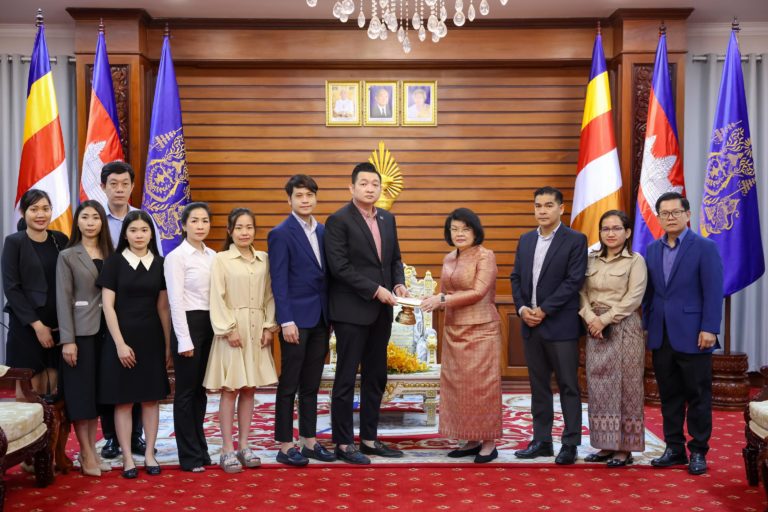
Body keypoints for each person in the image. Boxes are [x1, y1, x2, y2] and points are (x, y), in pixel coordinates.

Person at [324, 162, 407, 464]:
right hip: (351, 311)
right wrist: (375, 290)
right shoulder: (338, 220)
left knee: (376, 376)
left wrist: (398, 283)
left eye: (375, 184)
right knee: (346, 378)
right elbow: (340, 267)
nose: (370, 188)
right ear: (352, 187)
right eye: (364, 183)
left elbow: (394, 259)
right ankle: (344, 443)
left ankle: (370, 439)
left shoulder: (387, 218)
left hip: (381, 312)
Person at [642, 191, 723, 476]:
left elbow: (713, 290)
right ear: (659, 218)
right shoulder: (652, 249)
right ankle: (674, 448)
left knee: (698, 395)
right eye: (665, 213)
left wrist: (710, 328)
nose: (671, 217)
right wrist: (648, 326)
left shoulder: (704, 247)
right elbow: (650, 293)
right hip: (661, 334)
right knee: (669, 395)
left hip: (695, 334)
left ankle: (698, 451)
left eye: (676, 212)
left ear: (687, 214)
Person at [510, 186, 587, 465]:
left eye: (548, 205)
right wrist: (522, 309)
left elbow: (573, 281)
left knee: (568, 386)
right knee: (538, 386)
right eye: (538, 205)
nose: (542, 211)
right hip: (531, 325)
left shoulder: (575, 239)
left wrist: (544, 310)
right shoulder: (526, 239)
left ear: (561, 208)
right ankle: (541, 440)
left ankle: (570, 443)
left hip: (561, 325)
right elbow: (516, 278)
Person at [421, 208, 502, 463]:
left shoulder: (485, 256)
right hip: (454, 329)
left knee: (482, 388)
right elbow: (444, 292)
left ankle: (488, 442)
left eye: (465, 229)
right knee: (459, 389)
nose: (459, 234)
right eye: (454, 229)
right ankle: (471, 439)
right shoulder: (448, 258)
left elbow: (478, 292)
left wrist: (442, 299)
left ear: (475, 231)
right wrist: (430, 299)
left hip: (481, 330)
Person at [203, 208, 278, 474]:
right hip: (232, 330)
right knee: (230, 388)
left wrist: (269, 326)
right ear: (230, 231)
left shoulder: (263, 259)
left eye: (249, 227)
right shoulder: (221, 259)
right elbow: (217, 296)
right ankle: (226, 448)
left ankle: (244, 445)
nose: (244, 232)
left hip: (257, 330)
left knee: (249, 389)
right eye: (239, 228)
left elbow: (270, 295)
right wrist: (227, 329)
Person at [97, 210, 171, 479]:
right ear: (125, 235)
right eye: (133, 230)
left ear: (151, 234)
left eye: (144, 230)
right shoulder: (114, 263)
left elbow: (163, 308)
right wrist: (119, 344)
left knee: (150, 399)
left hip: (151, 339)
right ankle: (127, 457)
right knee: (124, 401)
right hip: (121, 340)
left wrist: (167, 345)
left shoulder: (160, 264)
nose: (139, 235)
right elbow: (108, 306)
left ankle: (149, 453)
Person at [268, 175, 336, 467]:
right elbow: (279, 280)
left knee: (311, 384)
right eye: (299, 195)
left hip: (321, 318)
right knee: (289, 384)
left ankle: (309, 440)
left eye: (309, 195)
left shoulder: (324, 231)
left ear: (315, 198)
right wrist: (286, 320)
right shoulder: (281, 233)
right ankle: (285, 445)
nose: (305, 200)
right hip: (295, 320)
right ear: (289, 200)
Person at [579, 210, 647, 467]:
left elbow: (634, 297)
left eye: (616, 228)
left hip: (624, 327)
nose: (610, 233)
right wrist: (590, 318)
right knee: (599, 386)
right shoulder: (590, 259)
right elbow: (581, 292)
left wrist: (604, 319)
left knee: (626, 386)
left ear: (627, 232)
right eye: (605, 228)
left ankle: (624, 449)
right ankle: (605, 444)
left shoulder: (635, 261)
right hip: (595, 329)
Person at [99, 160, 155, 459]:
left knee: (140, 377)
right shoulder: (95, 218)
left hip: (139, 309)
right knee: (112, 377)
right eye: (113, 184)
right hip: (103, 305)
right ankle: (111, 437)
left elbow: (155, 262)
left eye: (125, 184)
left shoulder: (143, 219)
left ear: (132, 186)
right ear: (103, 187)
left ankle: (136, 436)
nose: (119, 189)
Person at [56, 200, 114, 477]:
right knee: (81, 395)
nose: (90, 222)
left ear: (103, 222)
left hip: (108, 332)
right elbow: (63, 299)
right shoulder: (68, 255)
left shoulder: (111, 253)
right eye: (85, 217)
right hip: (81, 333)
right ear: (77, 221)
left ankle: (91, 450)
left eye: (96, 217)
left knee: (97, 395)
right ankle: (86, 452)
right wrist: (68, 340)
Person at [163, 202, 216, 472]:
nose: (200, 226)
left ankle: (201, 448)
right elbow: (175, 300)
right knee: (185, 393)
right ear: (184, 225)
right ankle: (189, 455)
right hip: (188, 326)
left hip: (211, 325)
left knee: (200, 391)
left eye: (205, 221)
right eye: (194, 221)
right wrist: (183, 339)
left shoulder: (213, 255)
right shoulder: (176, 257)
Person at [2, 189, 68, 397]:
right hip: (27, 328)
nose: (41, 214)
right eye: (34, 209)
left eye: (45, 209)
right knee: (28, 391)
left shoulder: (60, 239)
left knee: (51, 391)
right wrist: (38, 326)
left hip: (57, 326)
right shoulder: (14, 242)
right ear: (23, 212)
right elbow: (12, 288)